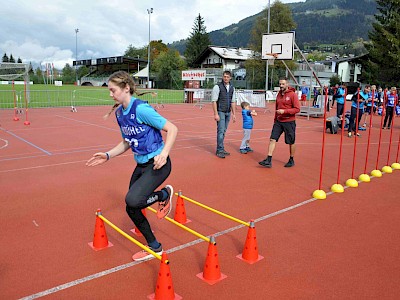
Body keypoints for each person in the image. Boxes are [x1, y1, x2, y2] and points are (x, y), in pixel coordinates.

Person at [86, 71, 178, 261]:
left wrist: (164, 153)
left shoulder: (141, 109)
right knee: (131, 207)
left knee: (133, 200)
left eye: (113, 90)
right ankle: (155, 247)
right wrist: (108, 155)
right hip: (142, 165)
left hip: (158, 164)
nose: (110, 95)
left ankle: (164, 194)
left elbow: (172, 128)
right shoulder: (120, 114)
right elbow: (127, 142)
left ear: (126, 88)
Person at [259, 77, 300, 168]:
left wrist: (284, 111)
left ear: (287, 84)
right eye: (280, 84)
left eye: (283, 84)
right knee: (272, 139)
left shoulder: (293, 95)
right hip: (278, 121)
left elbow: (297, 109)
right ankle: (268, 159)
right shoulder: (279, 94)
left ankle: (291, 159)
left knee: (291, 141)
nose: (281, 86)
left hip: (289, 122)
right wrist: (275, 119)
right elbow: (276, 108)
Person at [212, 70, 236, 158]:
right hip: (220, 111)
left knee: (224, 131)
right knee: (220, 131)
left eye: (227, 77)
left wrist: (234, 114)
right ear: (222, 77)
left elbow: (233, 101)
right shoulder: (217, 87)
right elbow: (214, 101)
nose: (226, 78)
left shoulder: (232, 88)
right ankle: (219, 150)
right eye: (224, 76)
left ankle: (222, 148)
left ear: (230, 78)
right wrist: (216, 114)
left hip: (228, 112)